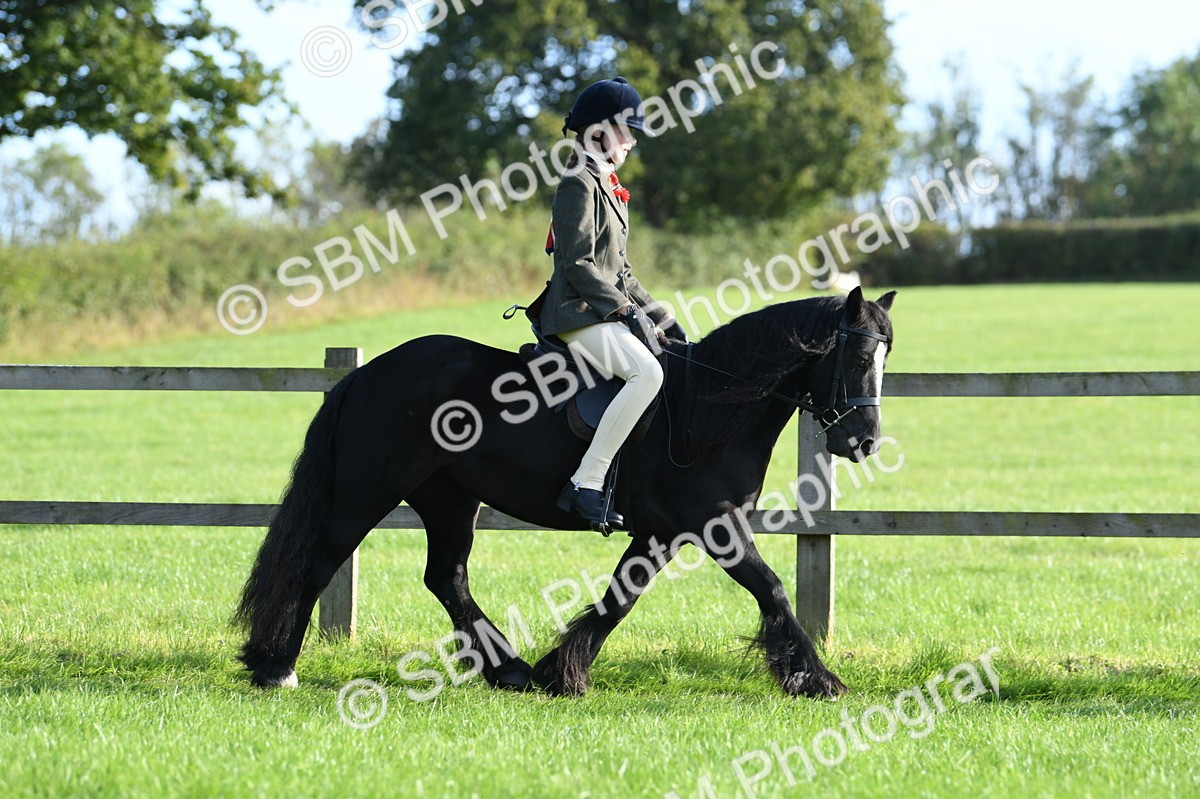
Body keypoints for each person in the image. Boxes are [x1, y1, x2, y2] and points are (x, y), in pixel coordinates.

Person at [538, 76, 685, 531]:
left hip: (599, 308)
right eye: (627, 131)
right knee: (648, 373)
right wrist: (624, 311)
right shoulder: (578, 184)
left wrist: (657, 312)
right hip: (575, 313)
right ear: (598, 132)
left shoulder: (610, 188)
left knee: (672, 355)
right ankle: (587, 482)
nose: (632, 142)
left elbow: (620, 270)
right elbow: (579, 265)